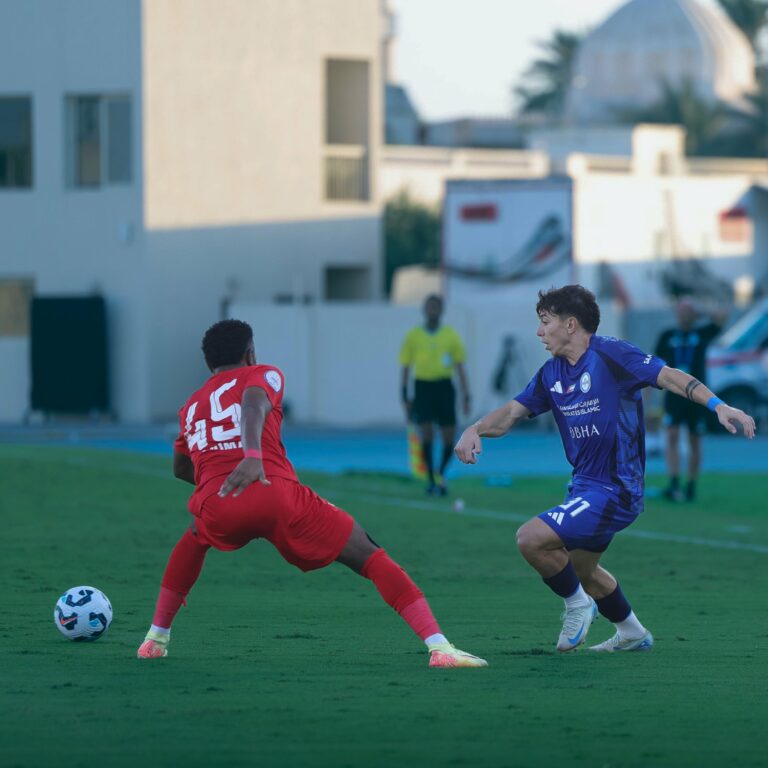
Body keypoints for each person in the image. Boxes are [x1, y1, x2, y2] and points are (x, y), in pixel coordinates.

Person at [137, 319, 486, 668]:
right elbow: (253, 402)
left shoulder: (191, 406)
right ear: (250, 353)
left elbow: (180, 468)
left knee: (195, 536)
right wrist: (253, 457)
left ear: (207, 363)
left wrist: (218, 484)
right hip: (273, 492)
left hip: (219, 502)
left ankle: (155, 638)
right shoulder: (263, 374)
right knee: (368, 553)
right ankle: (439, 647)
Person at [455, 285, 754, 653]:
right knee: (580, 570)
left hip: (616, 488)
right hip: (584, 487)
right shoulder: (551, 374)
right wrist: (475, 429)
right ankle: (632, 633)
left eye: (544, 322)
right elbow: (511, 413)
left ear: (570, 324)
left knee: (530, 539)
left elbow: (669, 375)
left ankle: (577, 604)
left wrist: (718, 405)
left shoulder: (612, 354)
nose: (538, 332)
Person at [654, 298, 725, 501]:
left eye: (689, 311)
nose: (685, 314)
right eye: (682, 310)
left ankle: (691, 485)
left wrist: (702, 310)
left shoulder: (702, 333)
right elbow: (655, 366)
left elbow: (722, 316)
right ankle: (674, 483)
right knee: (672, 436)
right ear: (676, 313)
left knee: (695, 440)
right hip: (674, 396)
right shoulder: (667, 336)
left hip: (697, 397)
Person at [400, 294, 471, 496]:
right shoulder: (414, 336)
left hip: (444, 387)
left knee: (449, 436)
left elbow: (460, 367)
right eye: (429, 306)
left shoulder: (450, 335)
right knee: (427, 433)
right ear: (424, 309)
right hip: (422, 387)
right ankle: (431, 478)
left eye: (436, 307)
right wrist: (404, 394)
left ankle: (440, 473)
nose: (432, 310)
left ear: (441, 310)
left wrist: (467, 395)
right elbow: (406, 366)